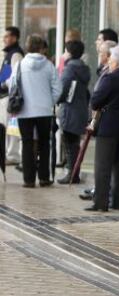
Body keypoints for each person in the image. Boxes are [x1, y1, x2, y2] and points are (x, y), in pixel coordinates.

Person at [11, 35, 62, 187]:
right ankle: (44, 178)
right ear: (41, 48)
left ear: (27, 47)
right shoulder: (49, 65)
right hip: (45, 111)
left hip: (25, 111)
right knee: (44, 144)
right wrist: (49, 102)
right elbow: (58, 88)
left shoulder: (20, 65)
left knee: (27, 143)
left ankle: (28, 180)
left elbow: (13, 84)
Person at [85, 46, 119, 212]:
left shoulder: (110, 78)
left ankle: (101, 203)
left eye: (111, 58)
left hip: (108, 127)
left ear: (117, 62)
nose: (109, 61)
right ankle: (118, 202)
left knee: (103, 166)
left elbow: (96, 101)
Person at [78, 40, 117, 201]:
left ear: (109, 56)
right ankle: (101, 190)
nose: (99, 56)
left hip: (108, 122)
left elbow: (98, 98)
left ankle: (104, 194)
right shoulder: (103, 72)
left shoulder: (110, 74)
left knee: (105, 163)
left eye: (101, 53)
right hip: (102, 120)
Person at [57, 40, 91, 184]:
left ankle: (72, 173)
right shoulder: (84, 68)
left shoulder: (69, 69)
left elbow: (62, 88)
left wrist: (57, 100)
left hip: (69, 110)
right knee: (74, 142)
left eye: (65, 51)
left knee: (69, 143)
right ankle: (74, 172)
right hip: (80, 108)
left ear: (69, 53)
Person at [0, 26, 24, 166]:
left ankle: (12, 155)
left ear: (14, 38)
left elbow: (16, 77)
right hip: (4, 96)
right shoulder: (8, 54)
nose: (4, 39)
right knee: (5, 127)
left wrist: (4, 85)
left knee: (11, 128)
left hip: (10, 97)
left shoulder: (15, 54)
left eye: (7, 36)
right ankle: (7, 153)